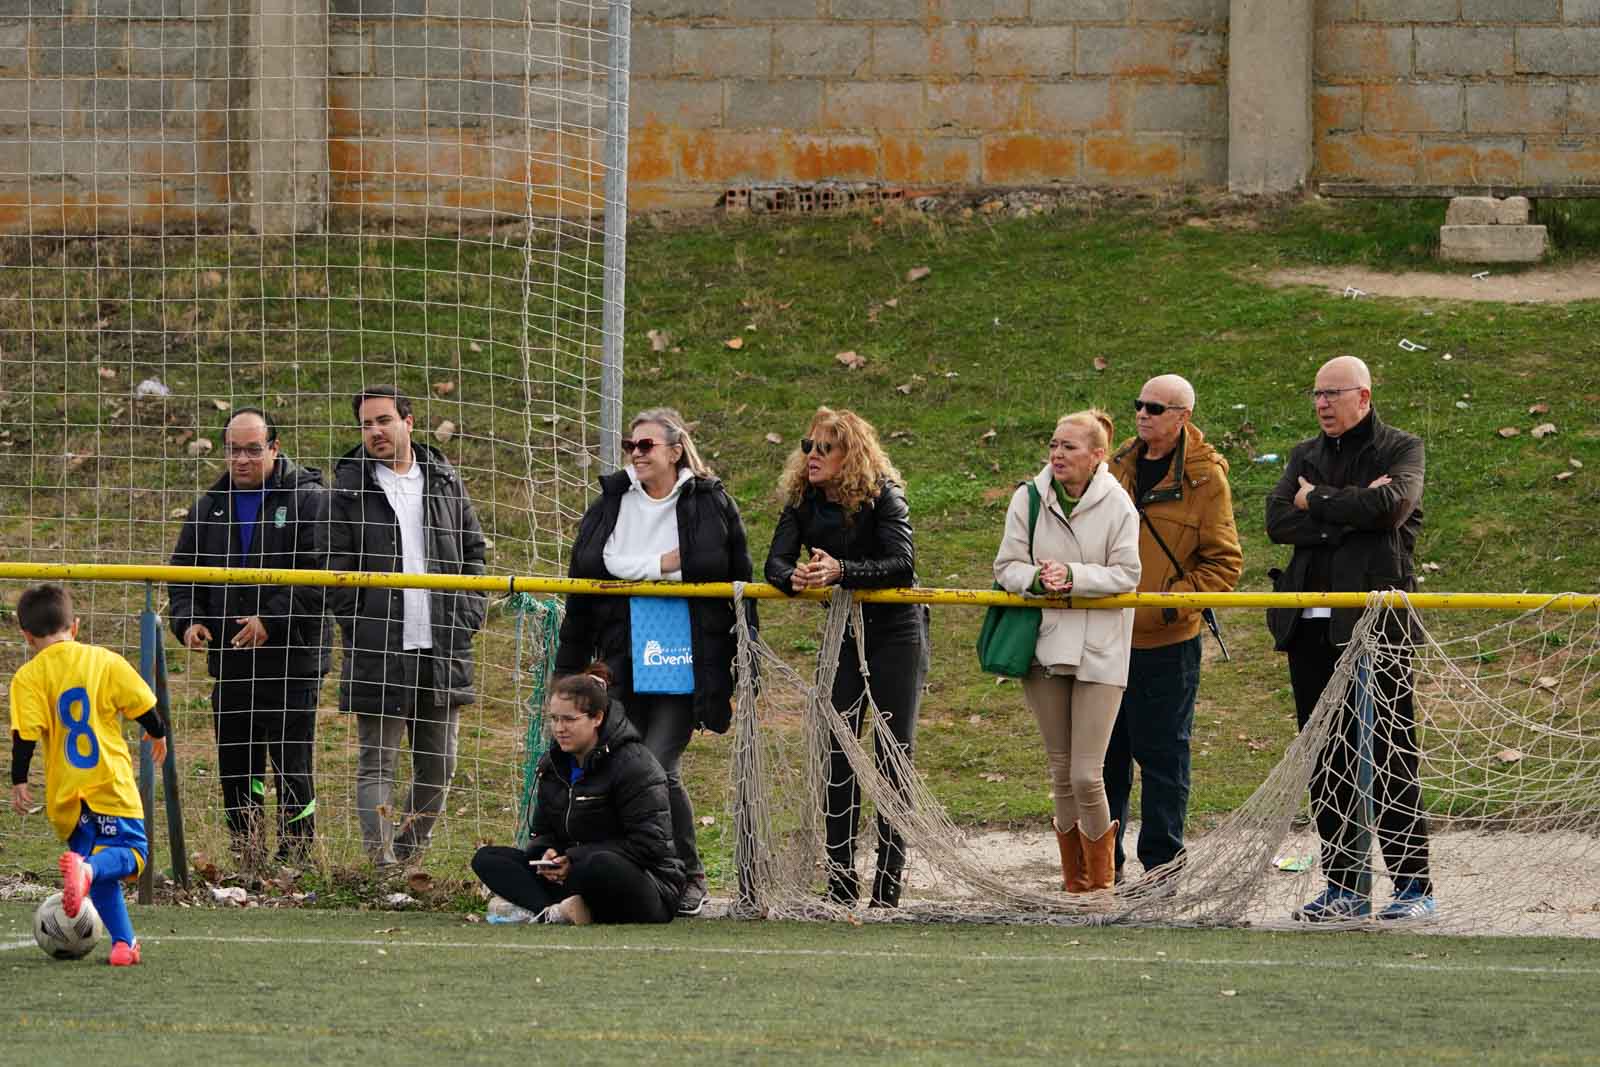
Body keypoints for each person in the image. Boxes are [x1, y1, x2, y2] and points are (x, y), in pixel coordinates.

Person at [554, 407, 754, 917]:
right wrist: (660, 564)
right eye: (630, 446)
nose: (637, 454)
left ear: (675, 450)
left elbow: (715, 565)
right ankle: (628, 871)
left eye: (647, 445)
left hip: (685, 655)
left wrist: (744, 660)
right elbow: (594, 568)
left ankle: (689, 874)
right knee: (620, 767)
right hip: (621, 659)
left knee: (659, 768)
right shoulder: (612, 501)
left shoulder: (709, 502)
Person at [1266, 355, 1435, 922]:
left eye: (1332, 394)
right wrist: (1346, 510)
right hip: (1309, 627)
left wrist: (1314, 501)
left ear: (1363, 396)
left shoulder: (1400, 449)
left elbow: (1391, 507)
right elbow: (1276, 521)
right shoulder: (1303, 455)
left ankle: (1414, 887)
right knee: (1328, 759)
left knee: (1389, 755)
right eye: (1315, 394)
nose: (1321, 404)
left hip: (1373, 626)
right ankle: (1344, 887)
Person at [765, 407, 929, 909]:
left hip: (896, 633)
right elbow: (774, 560)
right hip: (843, 633)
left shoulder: (883, 494)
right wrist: (789, 578)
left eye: (824, 448)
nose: (811, 456)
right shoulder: (802, 498)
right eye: (807, 445)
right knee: (836, 751)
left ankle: (888, 883)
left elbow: (902, 565)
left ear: (849, 455)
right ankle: (839, 879)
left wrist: (842, 571)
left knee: (890, 754)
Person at [328, 385, 488, 867]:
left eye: (383, 420)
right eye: (366, 424)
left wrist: (468, 614)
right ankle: (382, 869)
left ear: (408, 422)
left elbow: (474, 552)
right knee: (378, 762)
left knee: (439, 768)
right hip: (379, 647)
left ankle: (408, 854)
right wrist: (359, 622)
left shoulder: (444, 478)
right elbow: (332, 566)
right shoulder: (349, 487)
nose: (374, 431)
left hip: (442, 647)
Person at [167, 407, 330, 866]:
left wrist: (271, 620)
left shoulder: (309, 500)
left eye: (252, 450)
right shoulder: (208, 507)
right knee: (237, 764)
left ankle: (296, 859)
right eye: (233, 450)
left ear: (274, 449)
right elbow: (182, 575)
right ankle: (248, 854)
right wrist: (189, 621)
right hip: (232, 663)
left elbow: (320, 577)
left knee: (291, 764)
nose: (241, 460)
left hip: (292, 662)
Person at [993, 409, 1141, 895]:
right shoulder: (1027, 498)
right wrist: (1037, 578)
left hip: (1101, 649)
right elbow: (1006, 566)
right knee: (1060, 771)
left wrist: (1074, 576)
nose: (1057, 453)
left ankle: (1101, 889)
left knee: (1086, 774)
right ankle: (1074, 886)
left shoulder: (1119, 503)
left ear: (1097, 455)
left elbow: (1127, 574)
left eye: (1070, 446)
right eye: (1054, 444)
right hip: (1046, 645)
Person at [1105, 376, 1242, 886]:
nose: (1142, 414)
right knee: (1105, 760)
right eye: (1138, 404)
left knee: (1163, 758)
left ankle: (1163, 871)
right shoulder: (1116, 464)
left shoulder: (1207, 479)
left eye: (1155, 407)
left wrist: (1168, 607)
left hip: (1168, 645)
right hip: (1107, 640)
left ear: (1182, 416)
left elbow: (1224, 565)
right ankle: (1103, 868)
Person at [9, 584, 168, 966]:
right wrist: (157, 730)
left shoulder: (28, 678)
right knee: (132, 853)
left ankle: (123, 944)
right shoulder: (103, 660)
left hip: (66, 796)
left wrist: (19, 780)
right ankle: (88, 869)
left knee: (100, 879)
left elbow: (24, 735)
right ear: (75, 626)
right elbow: (141, 702)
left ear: (27, 636)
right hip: (108, 785)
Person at [470, 665, 685, 925]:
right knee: (487, 858)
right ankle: (551, 912)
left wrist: (573, 859)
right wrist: (548, 854)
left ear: (597, 718)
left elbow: (650, 844)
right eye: (554, 719)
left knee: (599, 864)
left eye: (569, 720)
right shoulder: (552, 764)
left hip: (643, 884)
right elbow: (542, 832)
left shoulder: (636, 765)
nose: (559, 728)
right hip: (573, 874)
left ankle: (562, 906)